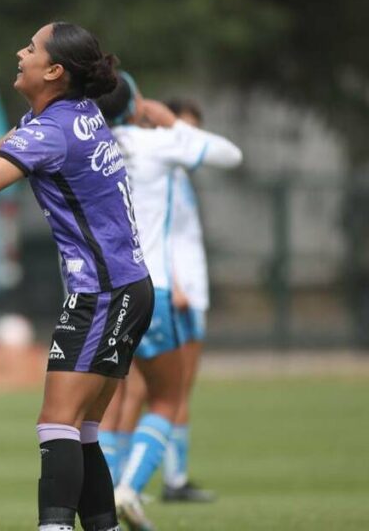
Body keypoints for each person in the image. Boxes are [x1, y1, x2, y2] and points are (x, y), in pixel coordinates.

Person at [0, 22, 153, 531]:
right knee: (82, 429)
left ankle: (55, 526)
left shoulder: (51, 130)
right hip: (127, 289)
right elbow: (4, 155)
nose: (20, 53)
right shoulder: (70, 113)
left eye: (31, 48)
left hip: (103, 294)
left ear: (54, 71)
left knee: (56, 423)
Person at [95, 74, 241, 530]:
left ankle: (102, 507)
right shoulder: (154, 144)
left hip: (98, 293)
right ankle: (127, 491)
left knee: (101, 408)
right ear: (136, 101)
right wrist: (169, 122)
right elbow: (230, 155)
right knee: (167, 398)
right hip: (151, 288)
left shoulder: (86, 145)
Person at [159, 97, 215, 502]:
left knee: (180, 391)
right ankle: (126, 480)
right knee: (155, 392)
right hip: (175, 293)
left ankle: (174, 476)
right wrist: (176, 283)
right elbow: (155, 233)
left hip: (193, 291)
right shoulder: (161, 174)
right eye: (183, 128)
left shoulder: (181, 177)